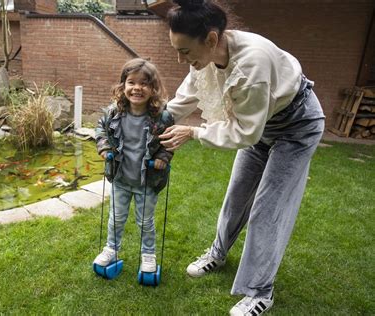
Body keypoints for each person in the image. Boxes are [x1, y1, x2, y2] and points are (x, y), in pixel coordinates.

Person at [158, 0, 325, 314]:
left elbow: (245, 133)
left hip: (296, 127)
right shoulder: (206, 57)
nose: (181, 59)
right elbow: (186, 96)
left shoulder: (252, 66)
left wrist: (192, 132)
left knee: (268, 208)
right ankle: (217, 255)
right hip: (261, 126)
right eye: (177, 50)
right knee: (237, 195)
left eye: (185, 51)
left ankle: (261, 291)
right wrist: (157, 121)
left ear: (210, 39)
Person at [93, 58, 174, 274]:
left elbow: (169, 142)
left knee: (145, 221)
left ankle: (148, 254)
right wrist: (104, 148)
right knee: (116, 219)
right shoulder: (113, 113)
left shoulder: (162, 117)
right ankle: (111, 249)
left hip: (147, 181)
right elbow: (100, 130)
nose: (137, 88)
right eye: (131, 82)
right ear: (123, 86)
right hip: (120, 179)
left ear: (153, 89)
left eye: (144, 83)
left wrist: (163, 158)